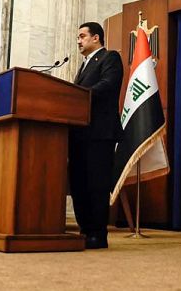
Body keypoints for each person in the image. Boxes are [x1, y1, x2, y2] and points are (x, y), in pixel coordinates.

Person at [69, 21, 123, 249]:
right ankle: (85, 230)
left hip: (100, 133)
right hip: (79, 133)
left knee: (96, 184)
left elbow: (108, 85)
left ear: (96, 38)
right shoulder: (83, 65)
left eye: (82, 36)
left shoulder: (110, 57)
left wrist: (77, 95)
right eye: (78, 37)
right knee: (78, 184)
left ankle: (98, 235)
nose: (78, 41)